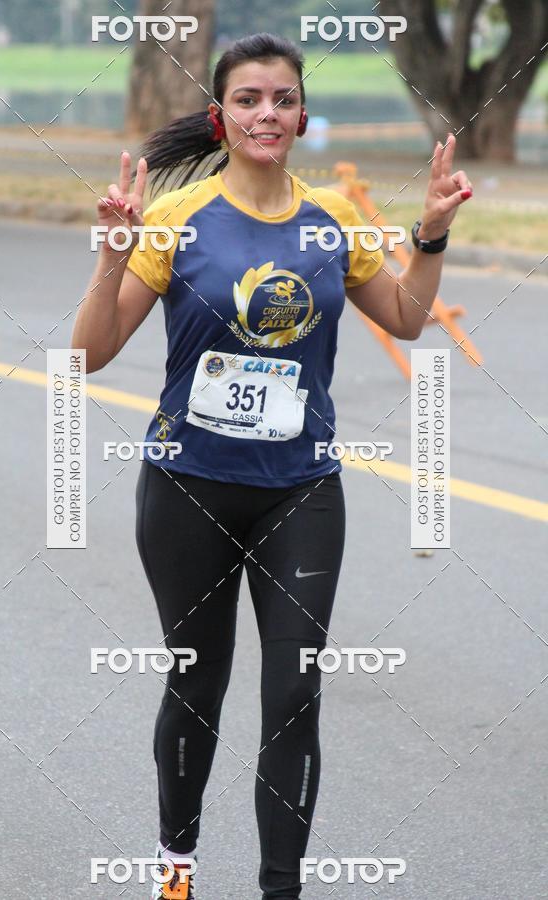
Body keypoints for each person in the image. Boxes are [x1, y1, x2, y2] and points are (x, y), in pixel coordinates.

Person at [71, 31, 472, 900]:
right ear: (222, 116)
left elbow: (405, 317)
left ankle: (279, 888)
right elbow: (91, 355)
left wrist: (431, 236)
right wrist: (110, 259)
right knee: (197, 684)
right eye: (249, 99)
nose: (267, 113)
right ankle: (177, 864)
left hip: (302, 489)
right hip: (188, 488)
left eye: (283, 99)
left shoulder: (333, 218)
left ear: (300, 114)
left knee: (294, 689)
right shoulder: (176, 221)